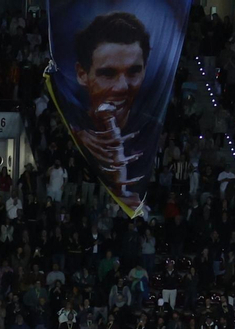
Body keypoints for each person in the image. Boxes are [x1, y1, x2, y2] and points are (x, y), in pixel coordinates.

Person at [67, 11, 150, 211]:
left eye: (134, 71)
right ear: (82, 74)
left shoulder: (153, 128)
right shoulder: (68, 125)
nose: (122, 86)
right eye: (108, 73)